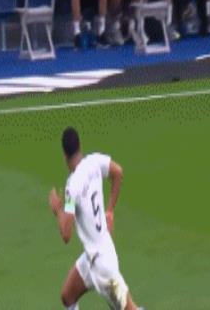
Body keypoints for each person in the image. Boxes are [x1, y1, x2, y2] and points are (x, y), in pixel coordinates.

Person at [49, 127, 143, 309]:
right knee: (68, 296)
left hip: (103, 269)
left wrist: (58, 210)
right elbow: (118, 172)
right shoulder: (95, 161)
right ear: (80, 146)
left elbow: (66, 234)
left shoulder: (71, 189)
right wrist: (110, 210)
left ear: (64, 154)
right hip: (93, 256)